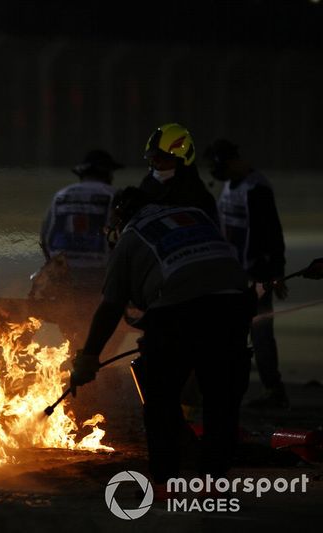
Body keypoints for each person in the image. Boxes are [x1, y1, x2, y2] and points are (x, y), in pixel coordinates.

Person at [70, 187, 255, 493]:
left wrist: (89, 356)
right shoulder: (194, 215)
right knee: (221, 400)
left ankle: (166, 481)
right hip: (234, 306)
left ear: (122, 217)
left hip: (178, 311)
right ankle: (213, 480)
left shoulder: (130, 237)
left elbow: (111, 306)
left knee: (160, 398)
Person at [204, 138, 289, 408]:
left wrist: (276, 272)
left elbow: (272, 232)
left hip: (255, 274)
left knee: (260, 331)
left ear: (229, 162)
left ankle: (272, 389)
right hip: (234, 273)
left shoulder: (256, 188)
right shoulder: (231, 185)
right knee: (236, 332)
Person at [32, 150, 122, 347]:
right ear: (107, 174)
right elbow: (125, 240)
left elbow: (46, 238)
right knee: (104, 338)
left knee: (74, 338)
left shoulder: (62, 196)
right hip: (100, 281)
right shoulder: (114, 196)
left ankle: (78, 362)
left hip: (65, 280)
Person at [140, 123, 220, 226]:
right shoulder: (147, 186)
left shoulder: (200, 200)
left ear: (183, 162)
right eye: (153, 160)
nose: (157, 166)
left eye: (164, 159)